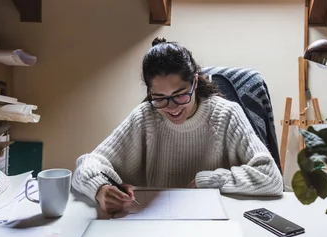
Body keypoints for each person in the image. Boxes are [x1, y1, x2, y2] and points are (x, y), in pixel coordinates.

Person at [72, 38, 283, 213]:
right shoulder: (147, 116)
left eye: (180, 95)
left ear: (196, 83)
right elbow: (87, 164)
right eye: (160, 97)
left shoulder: (226, 114)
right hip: (155, 226)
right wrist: (100, 188)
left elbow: (272, 179)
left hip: (215, 225)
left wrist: (212, 180)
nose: (172, 107)